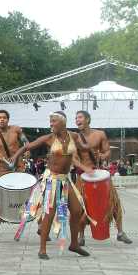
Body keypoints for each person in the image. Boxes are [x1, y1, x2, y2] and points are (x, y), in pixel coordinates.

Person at [11, 111, 94, 260]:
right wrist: (15, 158)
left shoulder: (74, 136)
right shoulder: (49, 138)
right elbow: (27, 147)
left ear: (63, 122)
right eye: (50, 121)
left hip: (65, 180)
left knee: (77, 210)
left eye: (54, 121)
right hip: (52, 180)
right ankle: (42, 249)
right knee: (49, 214)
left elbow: (85, 147)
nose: (51, 124)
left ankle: (74, 244)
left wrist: (93, 149)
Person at [75, 110, 132, 245]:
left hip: (100, 175)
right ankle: (81, 236)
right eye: (76, 118)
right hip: (82, 177)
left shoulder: (100, 134)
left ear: (87, 119)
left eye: (80, 117)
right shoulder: (75, 138)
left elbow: (107, 151)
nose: (77, 120)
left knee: (114, 203)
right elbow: (74, 158)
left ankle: (120, 232)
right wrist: (84, 168)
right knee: (80, 207)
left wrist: (103, 156)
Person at [0, 110, 28, 243]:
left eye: (4, 118)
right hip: (3, 171)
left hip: (19, 169)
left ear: (8, 119)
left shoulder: (16, 130)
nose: (2, 120)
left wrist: (25, 152)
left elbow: (26, 143)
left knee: (27, 200)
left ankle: (40, 226)